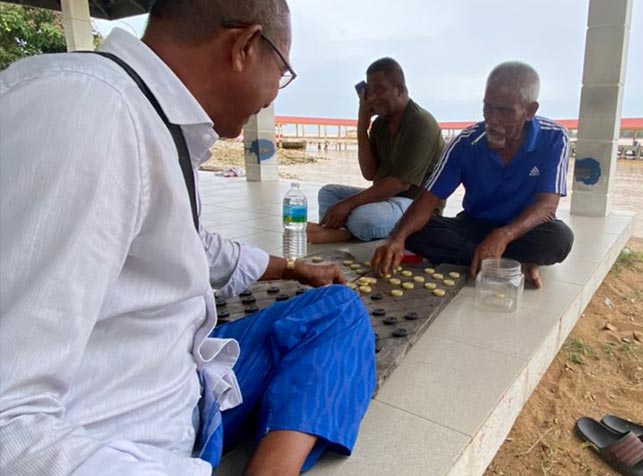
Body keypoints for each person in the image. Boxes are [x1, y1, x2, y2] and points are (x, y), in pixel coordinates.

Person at [0, 1, 375, 475]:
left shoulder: (148, 117)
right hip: (132, 436)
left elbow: (190, 246)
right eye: (281, 73)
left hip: (181, 381)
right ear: (244, 46)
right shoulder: (89, 113)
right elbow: (10, 422)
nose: (272, 97)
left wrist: (291, 267)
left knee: (337, 310)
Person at [371, 61, 574, 288]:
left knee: (559, 238)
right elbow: (427, 200)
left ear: (530, 111)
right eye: (487, 107)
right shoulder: (465, 142)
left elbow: (547, 206)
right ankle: (512, 264)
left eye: (504, 111)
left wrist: (503, 235)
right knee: (413, 232)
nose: (492, 119)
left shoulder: (555, 137)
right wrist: (396, 239)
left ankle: (485, 258)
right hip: (474, 226)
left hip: (521, 230)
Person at [307, 57, 445, 244]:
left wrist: (348, 204)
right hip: (387, 199)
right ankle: (339, 230)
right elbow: (369, 173)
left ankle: (343, 233)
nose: (372, 97)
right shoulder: (380, 124)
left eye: (379, 89)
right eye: (369, 90)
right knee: (328, 193)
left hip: (417, 205)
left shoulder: (420, 123)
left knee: (364, 217)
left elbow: (399, 184)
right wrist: (362, 126)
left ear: (400, 90)